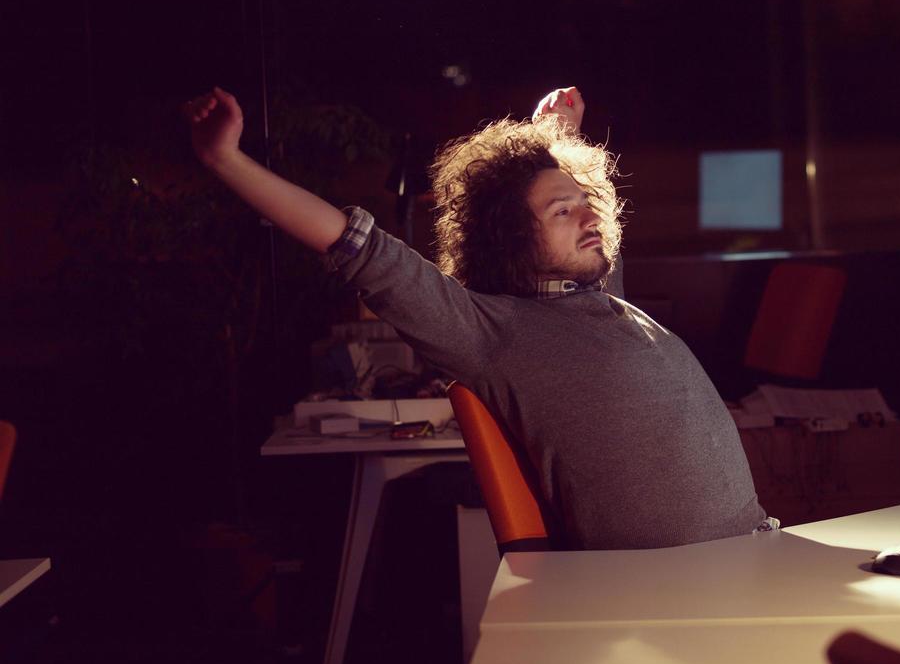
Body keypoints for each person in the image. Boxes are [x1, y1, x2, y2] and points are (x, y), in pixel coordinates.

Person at [184, 85, 772, 549]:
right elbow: (355, 246)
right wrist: (225, 159)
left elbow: (580, 240)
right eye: (562, 211)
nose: (589, 216)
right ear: (512, 237)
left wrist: (558, 137)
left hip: (754, 552)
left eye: (586, 203)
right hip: (676, 589)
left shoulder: (599, 298)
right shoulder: (492, 331)